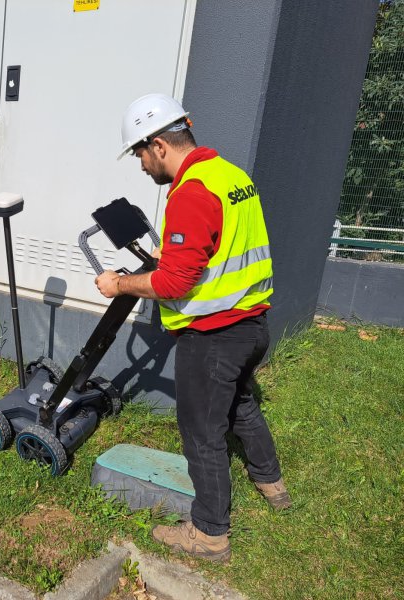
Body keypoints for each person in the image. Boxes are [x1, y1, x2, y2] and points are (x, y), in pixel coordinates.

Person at [95, 93, 290, 563]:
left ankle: (209, 534)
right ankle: (271, 483)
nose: (141, 164)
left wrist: (120, 283)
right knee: (240, 403)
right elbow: (215, 251)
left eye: (140, 153)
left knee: (201, 430)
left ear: (159, 145)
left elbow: (176, 280)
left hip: (214, 335)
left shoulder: (191, 192)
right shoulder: (230, 176)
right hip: (251, 325)